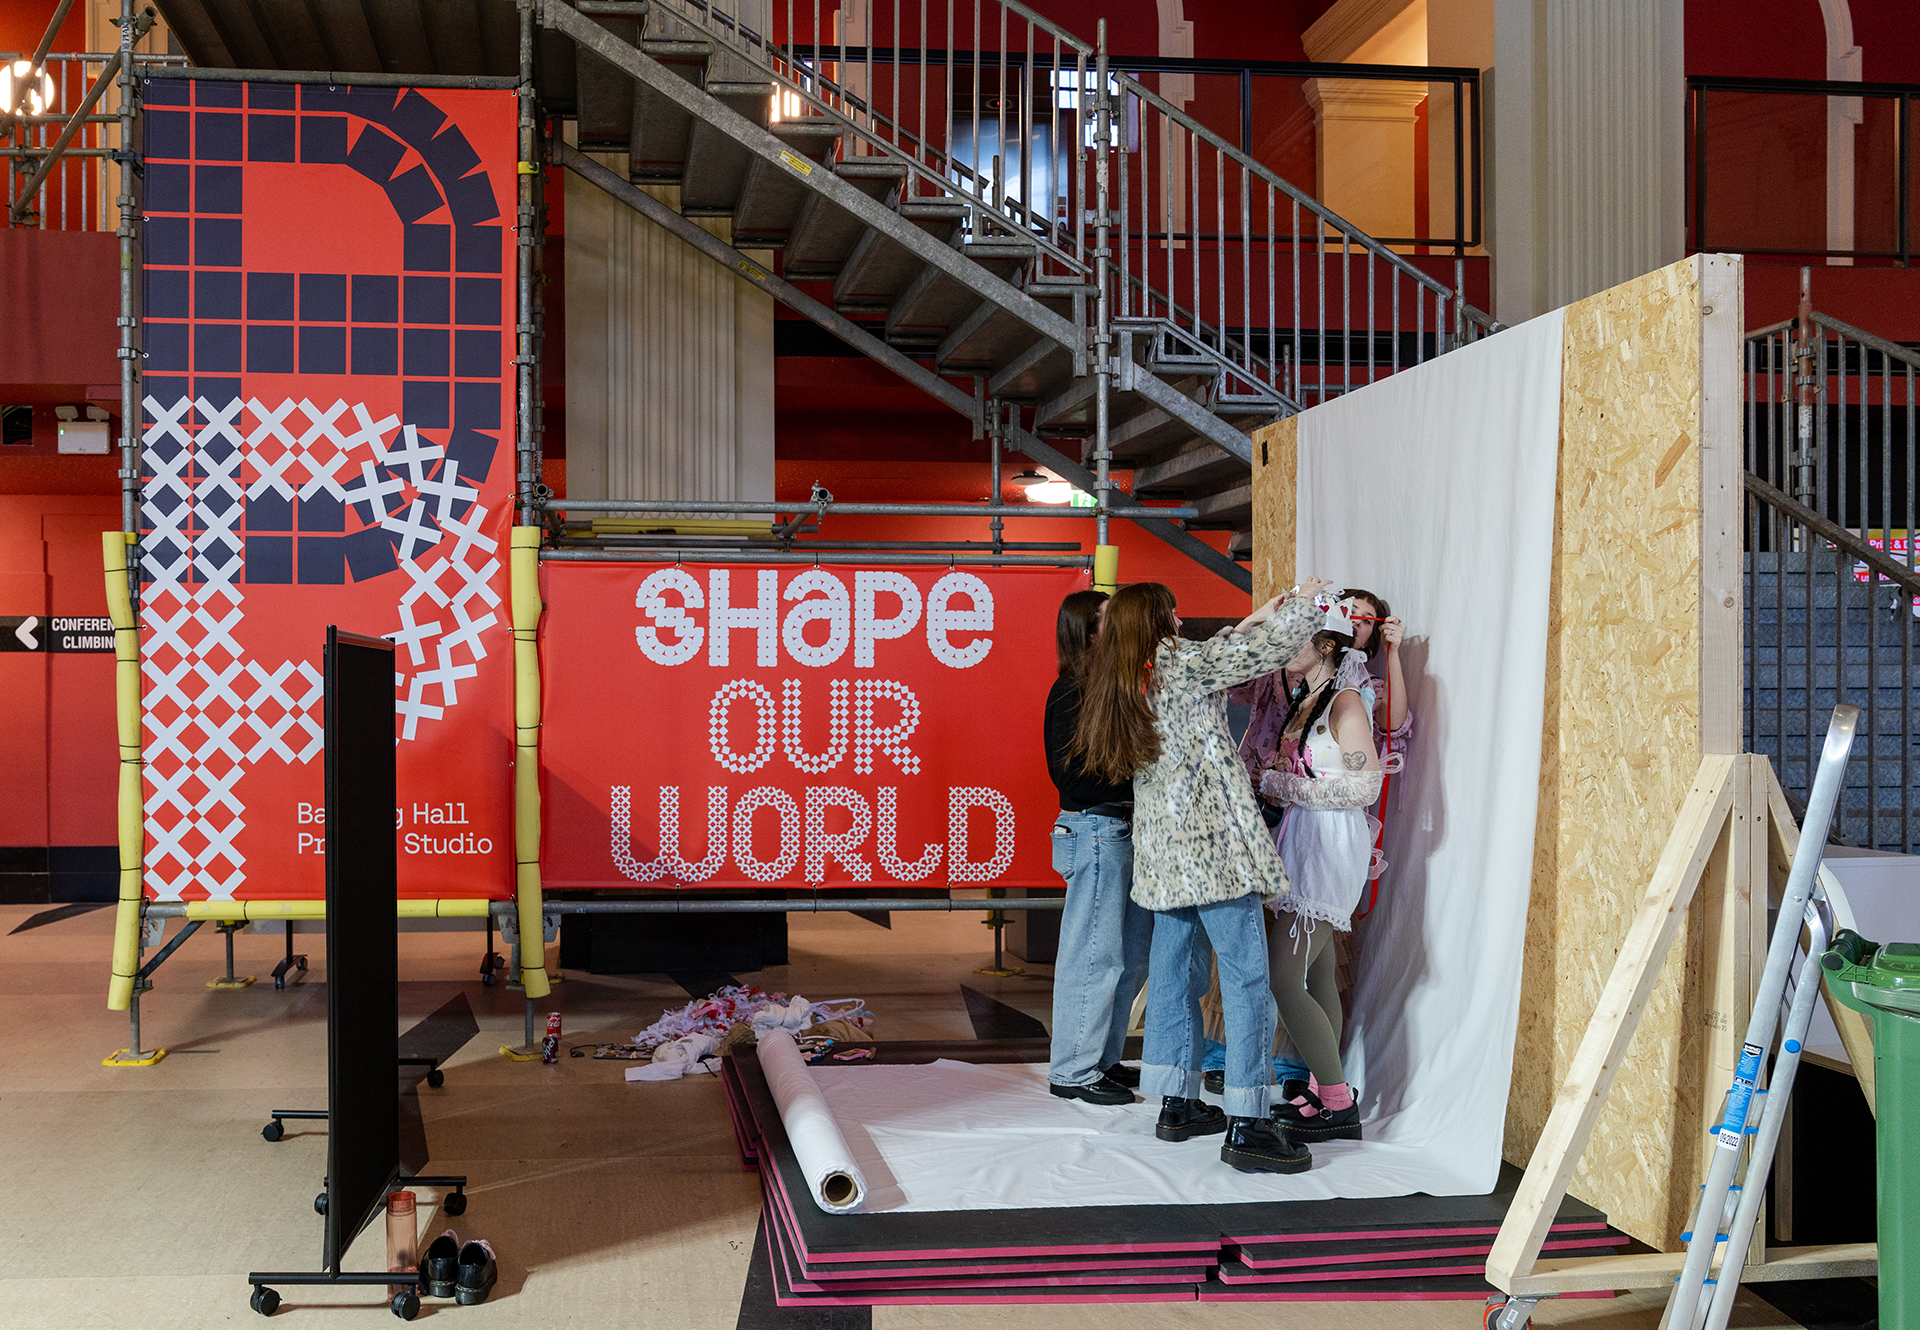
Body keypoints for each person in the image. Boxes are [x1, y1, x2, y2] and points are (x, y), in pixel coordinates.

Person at [1071, 578, 1327, 1174]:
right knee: (1245, 980)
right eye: (1173, 611)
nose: (1182, 619)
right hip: (1212, 849)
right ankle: (1247, 1119)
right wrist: (1305, 607)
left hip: (1165, 851)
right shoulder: (1177, 662)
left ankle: (1178, 1102)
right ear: (1157, 621)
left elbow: (1218, 656)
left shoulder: (1126, 675)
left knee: (1173, 977)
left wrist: (1254, 617)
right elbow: (1250, 657)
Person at [1256, 598, 1385, 1146]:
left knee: (1283, 978)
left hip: (1327, 847)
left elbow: (1367, 786)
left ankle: (1336, 1102)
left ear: (1327, 646)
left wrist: (1285, 786)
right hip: (1304, 839)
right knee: (1315, 972)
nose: (1286, 648)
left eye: (1297, 639)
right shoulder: (1309, 697)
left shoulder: (1345, 702)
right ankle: (1323, 1090)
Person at [1043, 589, 1151, 1106]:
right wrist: (1139, 783)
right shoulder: (1069, 693)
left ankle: (1101, 1060)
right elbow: (1072, 779)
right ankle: (1072, 1070)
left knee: (1125, 959)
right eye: (1111, 617)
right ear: (1089, 631)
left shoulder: (1110, 690)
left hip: (1117, 835)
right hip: (1096, 832)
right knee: (1093, 957)